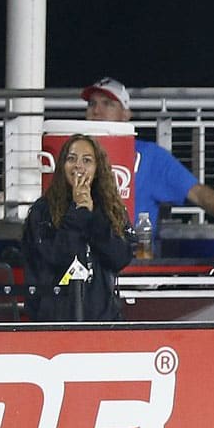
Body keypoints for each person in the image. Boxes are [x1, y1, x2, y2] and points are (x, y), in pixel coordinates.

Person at [82, 77, 214, 232]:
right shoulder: (72, 154)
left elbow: (199, 195)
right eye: (91, 104)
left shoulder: (149, 156)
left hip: (133, 253)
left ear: (125, 114)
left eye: (107, 103)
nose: (96, 111)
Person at [22, 134, 135, 321]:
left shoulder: (111, 209)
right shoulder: (43, 210)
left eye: (87, 160)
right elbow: (55, 257)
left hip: (103, 320)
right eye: (71, 159)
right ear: (61, 166)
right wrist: (77, 212)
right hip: (54, 320)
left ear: (98, 169)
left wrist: (93, 216)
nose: (78, 166)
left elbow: (120, 257)